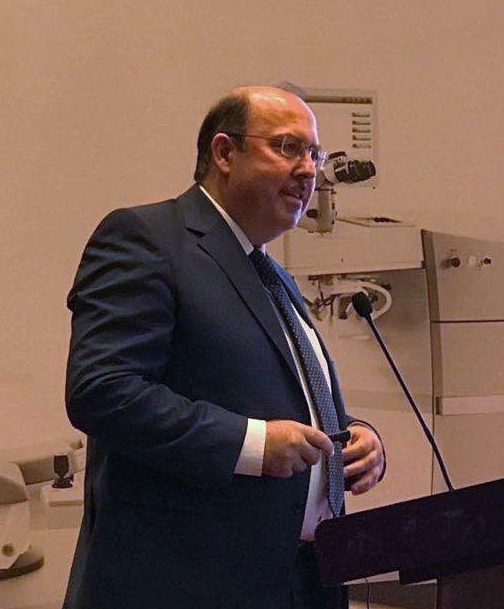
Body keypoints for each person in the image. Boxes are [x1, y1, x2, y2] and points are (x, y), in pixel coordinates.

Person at [62, 85, 386, 609]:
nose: (309, 170)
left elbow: (281, 399)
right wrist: (251, 444)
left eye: (315, 154)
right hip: (186, 584)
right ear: (224, 152)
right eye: (287, 147)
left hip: (302, 581)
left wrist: (354, 438)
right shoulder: (148, 238)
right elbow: (103, 391)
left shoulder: (273, 275)